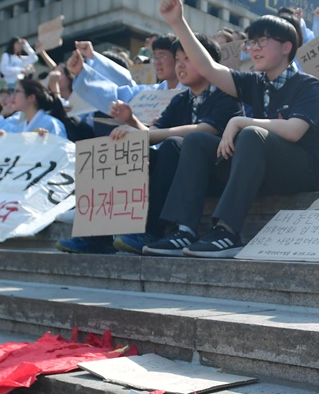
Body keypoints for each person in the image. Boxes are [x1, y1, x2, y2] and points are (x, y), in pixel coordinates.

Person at [149, 0, 319, 257]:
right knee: (196, 141)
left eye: (261, 41)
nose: (253, 48)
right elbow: (209, 69)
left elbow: (294, 130)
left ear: (286, 47)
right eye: (251, 42)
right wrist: (178, 23)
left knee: (253, 134)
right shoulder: (254, 82)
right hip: (260, 169)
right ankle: (183, 229)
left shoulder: (307, 85)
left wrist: (240, 121)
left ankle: (227, 231)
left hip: (302, 171)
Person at [59, 35, 243, 255]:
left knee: (173, 145)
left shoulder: (227, 95)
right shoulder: (180, 100)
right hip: (180, 172)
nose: (181, 65)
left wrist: (148, 134)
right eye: (178, 58)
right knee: (131, 150)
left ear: (208, 62)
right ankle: (98, 236)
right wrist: (131, 124)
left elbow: (205, 130)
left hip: (215, 174)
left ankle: (155, 230)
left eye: (189, 58)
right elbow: (152, 133)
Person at [68, 36, 179, 111]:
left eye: (162, 56)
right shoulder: (150, 93)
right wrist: (81, 71)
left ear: (177, 58)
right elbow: (117, 96)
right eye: (155, 56)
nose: (157, 62)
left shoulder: (192, 93)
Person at [0, 77, 69, 138]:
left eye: (17, 92)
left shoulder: (52, 124)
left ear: (31, 97)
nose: (13, 96)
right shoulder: (20, 127)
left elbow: (61, 150)